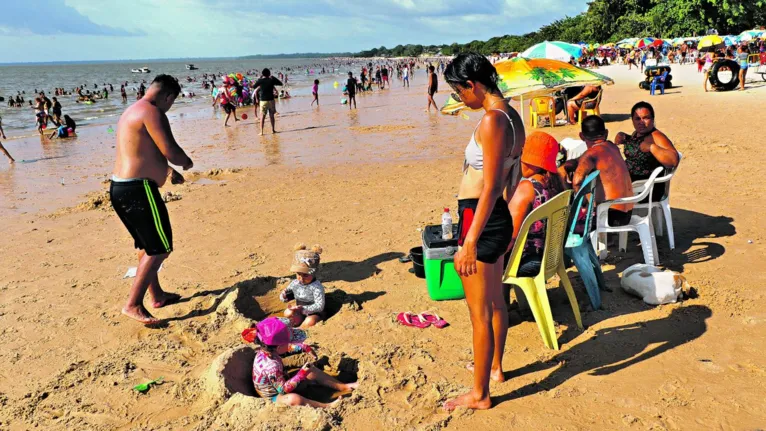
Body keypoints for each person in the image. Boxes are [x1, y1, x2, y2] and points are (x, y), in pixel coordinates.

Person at [443, 52, 525, 412]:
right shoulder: (513, 116)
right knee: (494, 303)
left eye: (460, 92)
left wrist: (470, 241)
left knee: (479, 313)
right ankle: (495, 368)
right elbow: (513, 177)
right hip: (493, 216)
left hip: (480, 216)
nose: (461, 99)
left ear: (472, 85)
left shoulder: (493, 120)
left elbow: (491, 185)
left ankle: (479, 395)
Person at [110, 74, 193, 324]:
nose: (170, 107)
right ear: (167, 96)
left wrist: (167, 170)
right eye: (172, 101)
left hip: (121, 187)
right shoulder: (153, 112)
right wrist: (185, 162)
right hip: (138, 189)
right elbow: (171, 150)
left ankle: (156, 295)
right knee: (160, 248)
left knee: (148, 246)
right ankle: (133, 304)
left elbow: (142, 150)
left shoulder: (133, 110)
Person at [242, 318, 358, 408]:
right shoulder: (271, 366)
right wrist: (301, 374)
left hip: (279, 379)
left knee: (311, 370)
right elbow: (283, 390)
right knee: (293, 399)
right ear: (278, 347)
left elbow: (286, 348)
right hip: (273, 396)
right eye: (289, 342)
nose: (291, 344)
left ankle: (343, 386)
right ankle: (327, 406)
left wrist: (303, 347)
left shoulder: (266, 350)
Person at [507, 132, 566, 276]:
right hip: (551, 256)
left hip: (528, 259)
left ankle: (501, 298)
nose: (520, 161)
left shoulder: (527, 188)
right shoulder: (556, 184)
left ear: (534, 162)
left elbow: (511, 237)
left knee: (486, 257)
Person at [562, 116, 634, 227]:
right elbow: (581, 160)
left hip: (610, 216)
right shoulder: (612, 146)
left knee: (564, 221)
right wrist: (569, 164)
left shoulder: (591, 154)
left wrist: (583, 204)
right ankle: (607, 240)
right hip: (627, 213)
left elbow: (577, 181)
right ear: (606, 132)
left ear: (581, 136)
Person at [615, 102, 679, 203]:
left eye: (646, 118)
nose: (641, 122)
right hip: (633, 182)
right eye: (637, 119)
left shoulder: (657, 136)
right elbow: (638, 147)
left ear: (653, 119)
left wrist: (652, 147)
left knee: (603, 187)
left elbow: (673, 160)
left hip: (646, 188)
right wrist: (625, 137)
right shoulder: (638, 133)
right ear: (632, 120)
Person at [280, 244, 326, 328]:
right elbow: (285, 298)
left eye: (305, 275)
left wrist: (303, 309)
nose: (301, 278)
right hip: (300, 311)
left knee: (310, 321)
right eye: (298, 274)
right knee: (288, 312)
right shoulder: (295, 283)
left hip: (314, 313)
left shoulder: (317, 287)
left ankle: (300, 329)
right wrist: (284, 296)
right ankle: (292, 326)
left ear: (314, 273)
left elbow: (320, 306)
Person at [252, 68, 283, 136]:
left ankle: (261, 132)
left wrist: (259, 80)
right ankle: (273, 130)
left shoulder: (260, 80)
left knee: (262, 116)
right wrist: (273, 77)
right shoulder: (271, 80)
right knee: (271, 116)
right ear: (269, 74)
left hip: (263, 101)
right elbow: (280, 83)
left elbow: (253, 87)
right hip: (271, 100)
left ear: (262, 74)